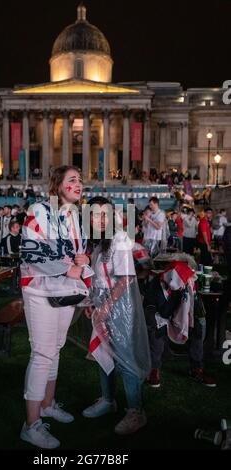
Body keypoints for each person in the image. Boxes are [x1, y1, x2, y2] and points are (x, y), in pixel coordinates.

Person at [19, 165, 93, 449]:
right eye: (72, 179)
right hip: (39, 288)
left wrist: (81, 261)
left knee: (56, 348)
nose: (79, 183)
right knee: (42, 353)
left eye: (81, 179)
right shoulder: (39, 210)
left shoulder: (76, 216)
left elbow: (75, 253)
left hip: (64, 290)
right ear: (57, 185)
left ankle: (47, 405)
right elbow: (30, 251)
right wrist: (66, 269)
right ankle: (31, 425)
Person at [81, 197, 151, 435]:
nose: (100, 219)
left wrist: (106, 307)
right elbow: (99, 278)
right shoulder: (99, 243)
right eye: (94, 214)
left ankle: (136, 411)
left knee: (124, 355)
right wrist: (92, 303)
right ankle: (108, 400)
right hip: (103, 304)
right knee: (104, 352)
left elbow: (127, 278)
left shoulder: (120, 238)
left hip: (119, 305)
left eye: (104, 214)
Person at [144, 262, 216, 388]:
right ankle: (153, 369)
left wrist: (195, 319)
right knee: (156, 326)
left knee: (198, 324)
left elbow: (196, 307)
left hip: (179, 312)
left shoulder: (189, 283)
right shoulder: (156, 285)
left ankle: (196, 368)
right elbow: (164, 312)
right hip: (160, 313)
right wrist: (178, 295)